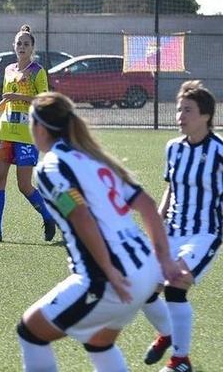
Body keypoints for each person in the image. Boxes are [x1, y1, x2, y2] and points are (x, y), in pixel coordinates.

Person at [18, 91, 182, 372]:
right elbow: (147, 204)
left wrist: (108, 269)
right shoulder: (94, 158)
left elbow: (81, 215)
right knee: (99, 343)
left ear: (40, 127)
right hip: (145, 270)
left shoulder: (50, 167)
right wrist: (164, 261)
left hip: (109, 277)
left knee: (30, 332)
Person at [139, 81, 221, 372]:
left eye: (188, 110)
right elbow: (170, 190)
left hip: (203, 234)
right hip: (172, 230)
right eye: (178, 109)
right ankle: (168, 334)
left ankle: (180, 360)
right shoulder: (173, 148)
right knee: (143, 288)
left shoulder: (219, 152)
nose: (180, 116)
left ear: (206, 116)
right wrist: (157, 226)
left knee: (177, 283)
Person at [0, 24, 56, 243]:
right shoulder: (9, 69)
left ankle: (48, 217)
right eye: (19, 43)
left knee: (24, 185)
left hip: (26, 135)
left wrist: (20, 98)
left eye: (26, 44)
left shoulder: (37, 71)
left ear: (32, 48)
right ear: (14, 46)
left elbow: (44, 101)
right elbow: (6, 99)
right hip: (5, 133)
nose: (22, 46)